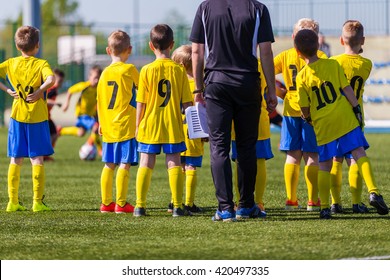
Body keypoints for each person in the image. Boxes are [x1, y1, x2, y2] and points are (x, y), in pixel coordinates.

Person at [190, 0, 277, 221]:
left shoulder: (205, 7)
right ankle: (246, 206)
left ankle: (225, 208)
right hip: (247, 83)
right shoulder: (258, 8)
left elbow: (196, 52)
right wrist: (272, 90)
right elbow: (265, 52)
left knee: (219, 146)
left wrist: (197, 88)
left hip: (216, 83)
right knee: (247, 146)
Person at [295, 29, 389, 219]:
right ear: (319, 46)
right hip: (344, 117)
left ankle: (326, 207)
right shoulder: (332, 64)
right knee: (359, 153)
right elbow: (346, 89)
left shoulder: (301, 77)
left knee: (325, 164)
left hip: (323, 123)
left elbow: (304, 106)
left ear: (298, 52)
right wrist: (356, 109)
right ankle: (373, 191)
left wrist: (309, 118)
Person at [134, 24, 193, 217]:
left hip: (150, 124)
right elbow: (187, 103)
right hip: (172, 124)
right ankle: (177, 206)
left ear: (151, 46)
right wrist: (194, 127)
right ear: (172, 44)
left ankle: (140, 207)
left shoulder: (146, 70)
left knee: (145, 162)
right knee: (174, 162)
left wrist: (137, 126)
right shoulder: (178, 70)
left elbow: (140, 103)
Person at [0, 26, 55, 212]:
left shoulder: (11, 63)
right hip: (37, 118)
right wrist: (40, 91)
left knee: (15, 159)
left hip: (17, 117)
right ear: (37, 45)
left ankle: (12, 201)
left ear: (17, 46)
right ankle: (37, 202)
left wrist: (7, 90)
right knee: (37, 159)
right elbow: (51, 79)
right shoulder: (41, 64)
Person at [274, 18, 326, 212]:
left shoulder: (285, 56)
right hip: (312, 112)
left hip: (290, 111)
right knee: (312, 155)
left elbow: (267, 71)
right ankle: (313, 201)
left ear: (293, 37)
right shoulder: (320, 55)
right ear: (317, 39)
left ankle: (291, 200)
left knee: (292, 155)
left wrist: (280, 93)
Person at [329, 20, 372, 214]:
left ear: (340, 40)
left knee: (335, 159)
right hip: (355, 115)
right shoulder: (367, 64)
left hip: (335, 115)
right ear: (362, 40)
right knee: (354, 159)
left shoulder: (333, 62)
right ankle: (356, 202)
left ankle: (335, 203)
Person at [97, 30, 139, 214]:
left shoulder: (104, 73)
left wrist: (100, 122)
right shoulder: (129, 70)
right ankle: (121, 204)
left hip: (107, 124)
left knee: (108, 164)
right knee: (124, 163)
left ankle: (106, 203)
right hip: (125, 124)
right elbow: (143, 89)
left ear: (108, 50)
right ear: (129, 49)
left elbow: (100, 100)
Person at [232, 60, 274, 215]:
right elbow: (270, 88)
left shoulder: (231, 62)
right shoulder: (261, 64)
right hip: (258, 114)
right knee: (259, 159)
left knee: (240, 160)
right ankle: (259, 202)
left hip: (237, 118)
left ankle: (240, 201)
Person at [170, 44, 204, 214]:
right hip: (194, 131)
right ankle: (189, 203)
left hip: (176, 130)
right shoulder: (200, 86)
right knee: (191, 166)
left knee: (177, 166)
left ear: (181, 66)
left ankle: (173, 202)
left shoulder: (176, 84)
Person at [59, 65, 102, 154]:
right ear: (89, 77)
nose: (96, 80)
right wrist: (67, 104)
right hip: (82, 114)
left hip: (91, 115)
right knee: (95, 127)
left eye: (98, 78)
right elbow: (70, 90)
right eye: (95, 78)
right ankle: (100, 149)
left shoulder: (99, 88)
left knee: (81, 133)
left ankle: (61, 130)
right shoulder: (84, 86)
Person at [45, 68, 65, 161]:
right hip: (43, 117)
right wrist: (55, 103)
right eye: (59, 81)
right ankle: (44, 155)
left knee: (54, 135)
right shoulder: (51, 89)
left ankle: (46, 155)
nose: (60, 83)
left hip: (47, 116)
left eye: (61, 81)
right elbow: (43, 100)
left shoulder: (54, 90)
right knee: (52, 136)